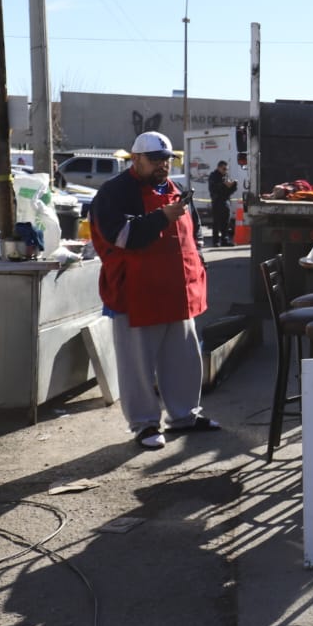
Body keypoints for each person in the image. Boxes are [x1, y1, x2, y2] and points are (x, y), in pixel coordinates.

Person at [89, 132, 217, 450]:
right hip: (136, 294)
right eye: (156, 160)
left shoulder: (174, 189)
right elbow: (121, 236)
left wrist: (197, 264)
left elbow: (195, 232)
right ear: (136, 160)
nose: (163, 165)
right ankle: (144, 425)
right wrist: (161, 218)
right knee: (137, 366)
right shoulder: (114, 193)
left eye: (167, 160)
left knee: (184, 360)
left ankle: (184, 416)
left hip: (177, 294)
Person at [207, 160, 238, 247]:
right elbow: (213, 189)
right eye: (224, 169)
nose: (225, 171)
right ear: (219, 168)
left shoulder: (225, 176)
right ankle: (215, 241)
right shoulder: (213, 176)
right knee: (216, 222)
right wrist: (223, 184)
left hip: (225, 201)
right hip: (217, 201)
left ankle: (225, 240)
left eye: (226, 169)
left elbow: (229, 191)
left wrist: (234, 185)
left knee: (226, 222)